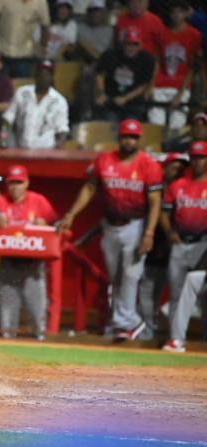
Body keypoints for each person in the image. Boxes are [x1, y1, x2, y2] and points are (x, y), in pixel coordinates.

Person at [58, 120, 162, 340]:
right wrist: (71, 214)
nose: (129, 141)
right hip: (110, 226)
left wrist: (149, 233)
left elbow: (155, 202)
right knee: (116, 278)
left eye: (133, 137)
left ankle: (124, 324)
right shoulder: (105, 160)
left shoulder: (149, 165)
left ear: (140, 139)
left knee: (131, 275)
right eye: (125, 136)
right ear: (119, 138)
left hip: (135, 225)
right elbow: (89, 189)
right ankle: (125, 321)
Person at [0, 165, 58, 340]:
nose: (15, 187)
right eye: (12, 182)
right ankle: (7, 360)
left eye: (19, 182)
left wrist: (46, 226)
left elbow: (57, 226)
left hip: (33, 267)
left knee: (37, 315)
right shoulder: (0, 201)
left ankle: (41, 355)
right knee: (7, 319)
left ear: (26, 183)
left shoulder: (39, 200)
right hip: (8, 265)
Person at [159, 141, 207, 348]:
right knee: (177, 292)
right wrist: (169, 232)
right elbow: (164, 213)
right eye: (194, 158)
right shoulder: (179, 185)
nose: (197, 162)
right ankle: (175, 337)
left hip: (203, 244)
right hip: (180, 242)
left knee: (202, 295)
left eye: (201, 158)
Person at [138, 152, 187, 338]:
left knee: (179, 294)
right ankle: (146, 332)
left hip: (176, 248)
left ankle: (173, 335)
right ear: (164, 168)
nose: (177, 172)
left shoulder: (184, 190)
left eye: (181, 170)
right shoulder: (152, 189)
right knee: (148, 292)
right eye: (174, 168)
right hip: (152, 247)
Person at [147, 0, 201, 130]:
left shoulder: (194, 35)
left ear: (185, 14)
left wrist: (180, 93)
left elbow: (193, 67)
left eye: (180, 12)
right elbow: (158, 61)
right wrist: (151, 85)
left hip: (181, 85)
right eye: (173, 12)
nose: (176, 15)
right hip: (161, 84)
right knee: (155, 125)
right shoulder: (162, 34)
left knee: (177, 125)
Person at [1, 60, 69, 149]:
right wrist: (3, 136)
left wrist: (60, 143)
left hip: (45, 151)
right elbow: (8, 117)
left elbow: (62, 128)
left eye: (47, 74)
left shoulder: (59, 101)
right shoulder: (21, 93)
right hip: (21, 148)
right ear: (36, 75)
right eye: (41, 73)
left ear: (52, 77)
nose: (43, 77)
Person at [93, 25, 155, 122]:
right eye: (128, 44)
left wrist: (125, 98)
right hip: (111, 101)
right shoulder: (110, 55)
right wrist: (100, 92)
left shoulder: (146, 59)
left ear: (140, 45)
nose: (132, 48)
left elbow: (145, 85)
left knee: (131, 125)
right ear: (122, 44)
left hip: (133, 103)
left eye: (135, 44)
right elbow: (99, 74)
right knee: (109, 125)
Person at [0, 0, 50, 78]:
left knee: (21, 83)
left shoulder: (41, 2)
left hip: (22, 52)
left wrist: (44, 47)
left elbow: (45, 25)